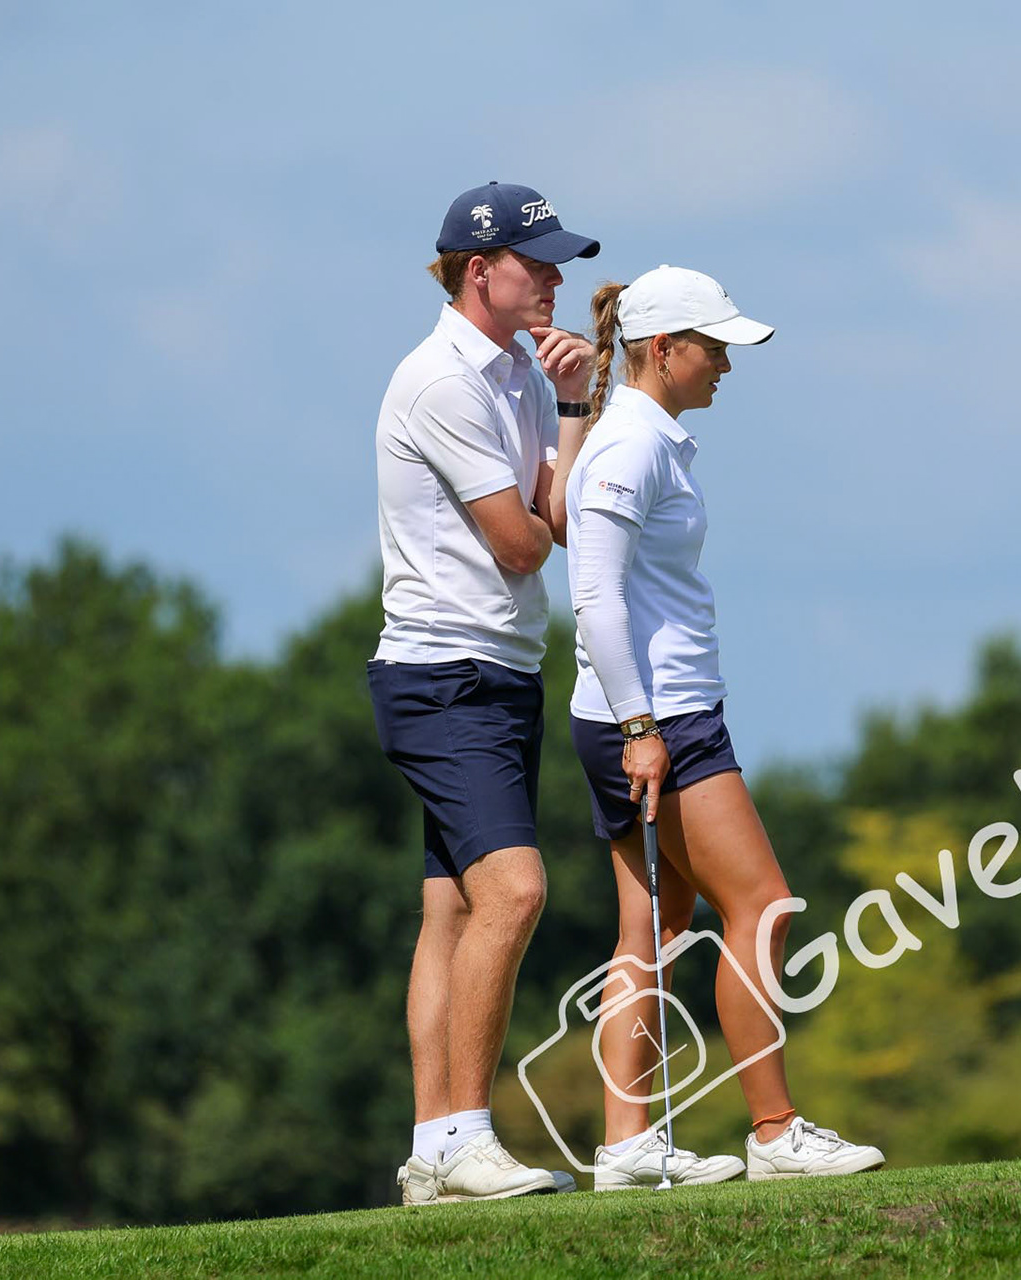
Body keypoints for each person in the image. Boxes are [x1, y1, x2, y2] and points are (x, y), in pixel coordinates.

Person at [552, 265, 886, 1189]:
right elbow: (593, 596)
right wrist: (641, 725)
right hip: (662, 720)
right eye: (715, 348)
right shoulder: (631, 450)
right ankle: (774, 1129)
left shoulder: (645, 439)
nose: (728, 366)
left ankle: (626, 1144)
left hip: (644, 714)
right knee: (763, 904)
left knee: (652, 931)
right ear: (664, 350)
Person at [369, 182, 599, 1205]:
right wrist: (555, 483)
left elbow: (561, 510)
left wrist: (579, 407)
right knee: (516, 890)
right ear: (479, 272)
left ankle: (431, 1151)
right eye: (538, 261)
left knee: (454, 910)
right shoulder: (443, 382)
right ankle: (465, 1135)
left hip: (496, 670)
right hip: (445, 674)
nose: (556, 277)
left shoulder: (518, 373)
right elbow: (524, 542)